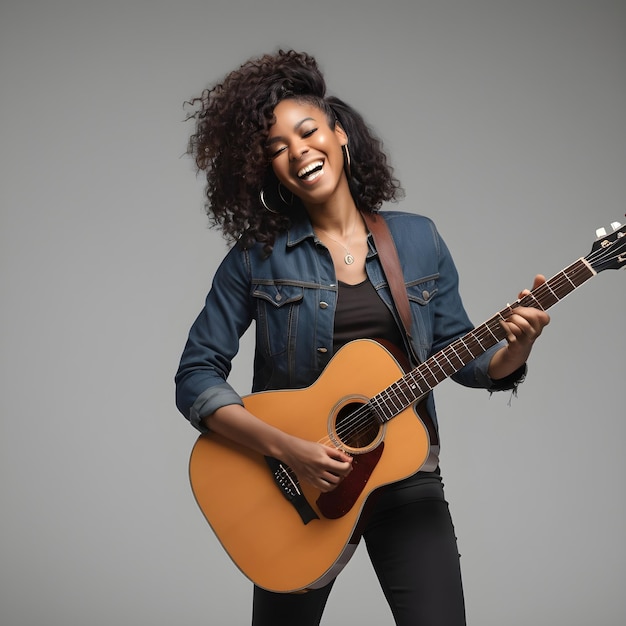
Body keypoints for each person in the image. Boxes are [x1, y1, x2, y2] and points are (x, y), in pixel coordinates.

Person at [175, 49, 550, 626]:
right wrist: (289, 449)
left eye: (307, 132)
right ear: (268, 170)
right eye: (277, 148)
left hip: (406, 478)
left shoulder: (419, 240)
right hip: (293, 489)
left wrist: (515, 348)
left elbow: (467, 358)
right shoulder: (255, 259)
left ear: (340, 134)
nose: (298, 152)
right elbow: (196, 376)